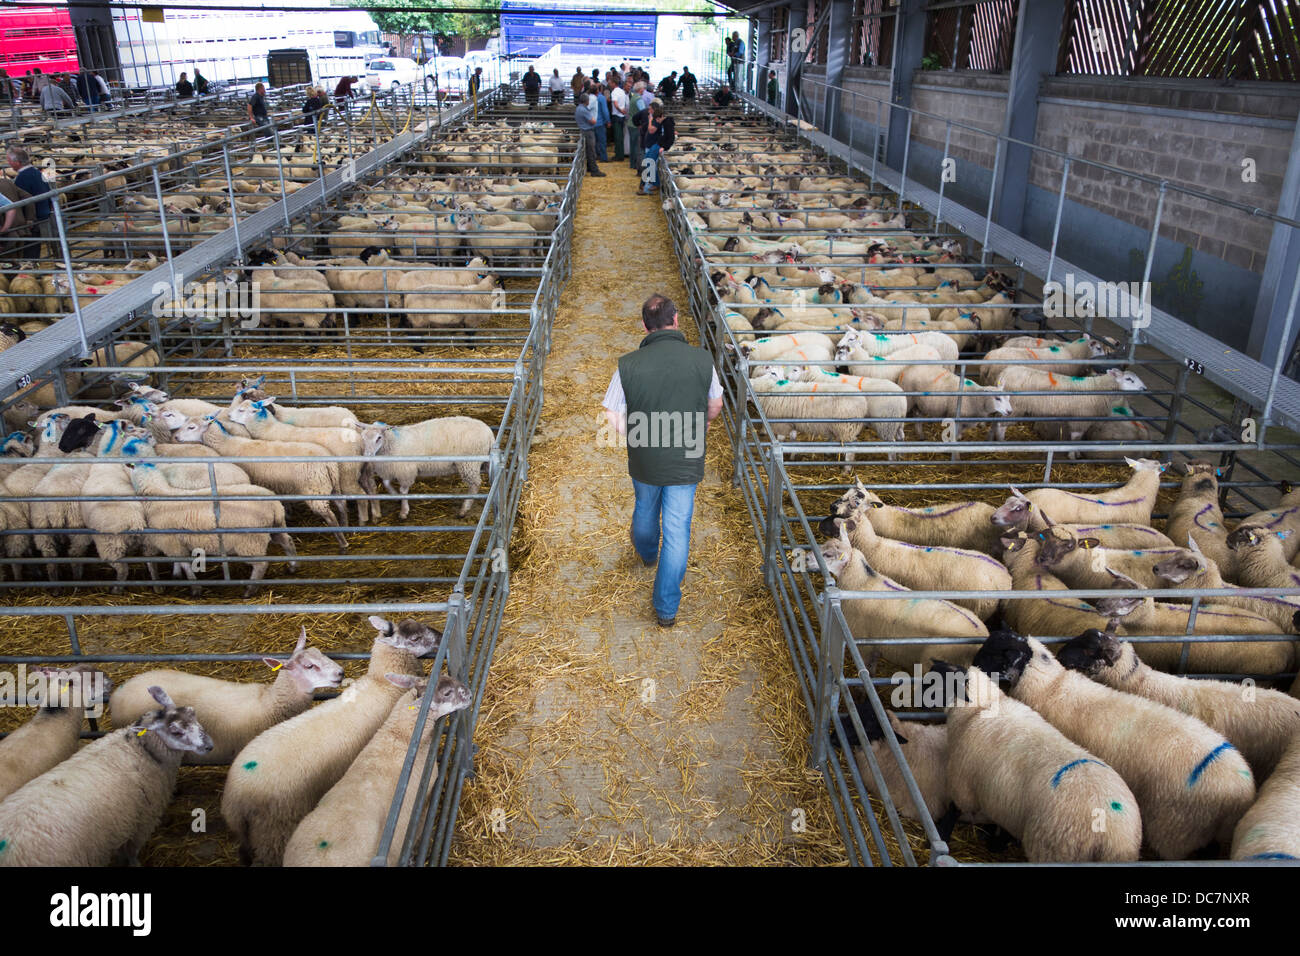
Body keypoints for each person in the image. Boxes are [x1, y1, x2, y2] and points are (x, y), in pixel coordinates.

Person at [602, 294, 723, 627]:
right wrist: (704, 425)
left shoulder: (627, 364)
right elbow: (716, 404)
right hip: (686, 453)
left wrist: (636, 434)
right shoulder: (702, 360)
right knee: (676, 528)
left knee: (644, 507)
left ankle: (647, 554)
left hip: (645, 454)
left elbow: (612, 413)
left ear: (644, 325)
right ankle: (666, 609)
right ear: (677, 320)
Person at [9, 146, 51, 258]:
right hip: (44, 213)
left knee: (29, 246)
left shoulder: (23, 177)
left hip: (32, 218)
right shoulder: (37, 172)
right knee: (35, 245)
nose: (9, 165)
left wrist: (27, 219)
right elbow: (48, 191)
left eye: (10, 161)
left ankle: (31, 269)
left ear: (17, 162)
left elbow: (22, 200)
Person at [641, 100, 674, 195]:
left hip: (660, 145)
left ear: (661, 117)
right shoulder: (664, 123)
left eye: (658, 120)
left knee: (649, 161)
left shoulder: (667, 123)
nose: (658, 122)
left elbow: (671, 138)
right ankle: (653, 182)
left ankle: (652, 184)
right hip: (658, 144)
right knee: (647, 160)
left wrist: (664, 147)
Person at [574, 92, 604, 177]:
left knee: (588, 151)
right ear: (586, 101)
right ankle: (594, 170)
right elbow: (593, 121)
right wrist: (594, 118)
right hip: (588, 132)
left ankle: (590, 167)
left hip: (583, 130)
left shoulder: (579, 108)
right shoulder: (583, 110)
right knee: (591, 151)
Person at [628, 81, 648, 176]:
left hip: (630, 123)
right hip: (636, 125)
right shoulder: (639, 99)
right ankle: (637, 165)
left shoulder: (633, 97)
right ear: (641, 89)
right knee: (638, 146)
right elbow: (643, 112)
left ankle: (632, 163)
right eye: (643, 88)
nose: (644, 90)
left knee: (633, 145)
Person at [609, 74, 628, 162]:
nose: (609, 84)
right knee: (621, 136)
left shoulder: (614, 92)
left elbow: (615, 104)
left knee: (617, 137)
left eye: (610, 82)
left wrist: (620, 110)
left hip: (617, 116)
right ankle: (620, 154)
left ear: (613, 83)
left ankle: (619, 155)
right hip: (622, 116)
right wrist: (623, 111)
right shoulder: (622, 91)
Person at [592, 82, 610, 162]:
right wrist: (608, 120)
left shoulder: (589, 97)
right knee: (602, 141)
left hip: (591, 122)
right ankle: (603, 157)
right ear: (600, 89)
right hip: (600, 122)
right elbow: (605, 111)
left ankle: (596, 155)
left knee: (594, 141)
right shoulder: (601, 98)